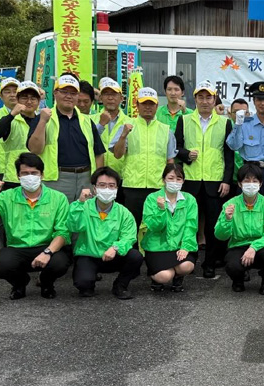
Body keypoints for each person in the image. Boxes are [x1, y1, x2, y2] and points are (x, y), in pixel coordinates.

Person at [0, 153, 70, 300]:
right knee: (0, 265)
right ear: (18, 176)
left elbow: (63, 232)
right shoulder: (7, 197)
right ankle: (20, 283)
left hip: (46, 246)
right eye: (25, 173)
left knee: (61, 262)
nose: (30, 177)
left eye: (34, 173)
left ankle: (46, 283)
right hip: (17, 248)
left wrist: (48, 252)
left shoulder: (58, 198)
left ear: (42, 175)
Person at [174, 80, 234, 277]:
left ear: (214, 98)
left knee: (212, 226)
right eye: (201, 97)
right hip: (190, 180)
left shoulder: (225, 122)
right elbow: (176, 148)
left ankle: (209, 263)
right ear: (195, 99)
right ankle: (188, 260)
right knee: (188, 223)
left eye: (209, 97)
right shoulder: (184, 120)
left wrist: (226, 180)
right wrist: (185, 154)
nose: (205, 101)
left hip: (214, 180)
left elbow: (228, 154)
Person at [27, 74, 106, 202]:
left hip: (86, 179)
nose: (69, 96)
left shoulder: (87, 121)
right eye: (64, 92)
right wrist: (42, 122)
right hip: (56, 179)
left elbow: (98, 153)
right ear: (55, 93)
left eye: (73, 93)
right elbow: (35, 149)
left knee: (84, 218)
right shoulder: (44, 118)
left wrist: (99, 179)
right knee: (57, 218)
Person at [69, 167, 143, 299]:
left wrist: (115, 247)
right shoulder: (82, 206)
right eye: (102, 185)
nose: (107, 189)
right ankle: (88, 284)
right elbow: (73, 226)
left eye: (111, 186)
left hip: (113, 254)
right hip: (89, 254)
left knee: (135, 257)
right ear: (94, 188)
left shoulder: (124, 212)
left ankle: (120, 285)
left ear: (116, 189)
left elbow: (129, 237)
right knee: (83, 284)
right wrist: (80, 202)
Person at [111, 87, 178, 228]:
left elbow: (170, 161)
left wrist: (170, 185)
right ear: (137, 105)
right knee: (131, 226)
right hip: (133, 186)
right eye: (144, 103)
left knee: (156, 226)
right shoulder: (127, 126)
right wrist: (123, 135)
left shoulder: (166, 130)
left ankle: (155, 251)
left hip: (158, 187)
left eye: (151, 104)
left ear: (157, 106)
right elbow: (117, 155)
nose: (148, 107)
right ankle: (131, 250)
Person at [215, 164, 264, 295]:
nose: (251, 184)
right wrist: (226, 220)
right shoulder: (230, 204)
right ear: (239, 184)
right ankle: (238, 279)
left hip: (261, 246)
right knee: (232, 265)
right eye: (246, 181)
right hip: (238, 245)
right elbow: (220, 235)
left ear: (260, 184)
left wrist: (254, 247)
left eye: (255, 181)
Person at [141, 164, 199, 293]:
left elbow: (191, 226)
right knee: (165, 276)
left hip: (179, 246)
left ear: (183, 181)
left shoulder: (190, 200)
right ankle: (158, 278)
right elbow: (154, 227)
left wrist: (185, 247)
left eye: (179, 179)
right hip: (157, 247)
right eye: (171, 178)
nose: (175, 182)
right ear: (163, 179)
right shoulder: (152, 198)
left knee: (187, 266)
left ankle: (178, 276)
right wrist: (161, 210)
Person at [0, 81, 41, 188]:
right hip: (13, 177)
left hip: (38, 175)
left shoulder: (43, 120)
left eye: (33, 98)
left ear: (39, 101)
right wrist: (12, 114)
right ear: (17, 100)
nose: (29, 102)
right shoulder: (10, 120)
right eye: (24, 98)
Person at [93, 78, 129, 181]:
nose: (110, 98)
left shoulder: (130, 122)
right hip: (96, 176)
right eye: (106, 94)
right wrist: (101, 124)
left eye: (114, 94)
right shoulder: (91, 119)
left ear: (121, 98)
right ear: (100, 98)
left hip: (121, 176)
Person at [0, 77, 21, 181]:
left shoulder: (32, 113)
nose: (12, 95)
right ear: (1, 96)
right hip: (2, 172)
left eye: (15, 91)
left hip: (30, 169)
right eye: (7, 92)